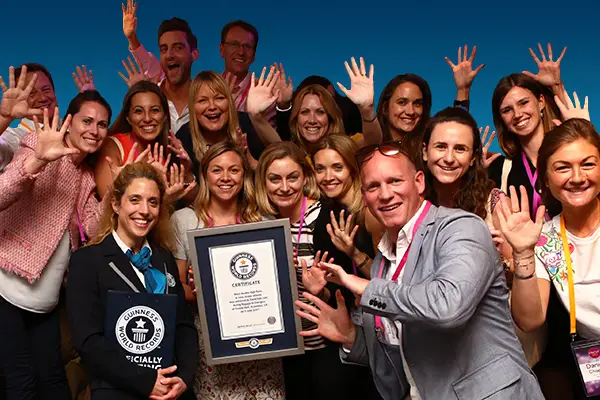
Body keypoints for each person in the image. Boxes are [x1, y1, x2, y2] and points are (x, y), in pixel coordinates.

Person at [295, 140, 544, 399]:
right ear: (365, 197)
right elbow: (401, 356)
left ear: (419, 182)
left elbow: (448, 306)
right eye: (373, 186)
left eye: (395, 181)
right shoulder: (382, 260)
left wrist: (366, 287)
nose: (385, 194)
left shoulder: (460, 229)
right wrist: (350, 338)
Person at [0, 78, 112, 399]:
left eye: (102, 124)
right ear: (69, 122)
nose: (94, 130)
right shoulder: (38, 144)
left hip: (44, 300)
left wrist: (116, 191)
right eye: (87, 121)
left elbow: (92, 229)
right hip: (6, 286)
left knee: (53, 380)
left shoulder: (87, 176)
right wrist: (38, 160)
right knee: (21, 381)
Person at [254, 142, 379, 400]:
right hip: (287, 348)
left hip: (328, 348)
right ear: (263, 182)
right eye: (275, 179)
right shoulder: (261, 224)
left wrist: (320, 292)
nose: (285, 187)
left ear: (305, 178)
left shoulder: (329, 219)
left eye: (293, 177)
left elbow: (351, 290)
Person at [67, 162, 198, 400]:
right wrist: (146, 381)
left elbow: (184, 326)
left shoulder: (164, 259)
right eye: (135, 200)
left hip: (171, 390)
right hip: (117, 391)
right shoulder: (87, 261)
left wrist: (185, 377)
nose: (144, 210)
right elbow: (88, 340)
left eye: (153, 202)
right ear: (116, 204)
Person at [171, 142, 285, 399]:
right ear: (204, 174)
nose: (225, 178)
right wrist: (205, 292)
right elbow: (178, 287)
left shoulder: (264, 221)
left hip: (262, 344)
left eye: (234, 170)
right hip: (212, 346)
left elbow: (278, 285)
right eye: (216, 170)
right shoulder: (184, 220)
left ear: (244, 175)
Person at [496, 117, 599, 400]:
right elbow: (530, 320)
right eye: (562, 167)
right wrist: (523, 253)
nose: (577, 177)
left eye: (588, 164)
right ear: (546, 179)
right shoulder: (545, 237)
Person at [122, 0, 199, 134]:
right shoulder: (151, 97)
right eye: (163, 49)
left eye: (178, 47)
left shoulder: (205, 99)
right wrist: (132, 38)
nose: (169, 55)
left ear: (194, 54)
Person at [312, 134, 382, 275]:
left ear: (352, 168)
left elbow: (386, 281)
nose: (328, 177)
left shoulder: (370, 212)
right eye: (320, 169)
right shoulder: (329, 210)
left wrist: (354, 253)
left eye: (337, 168)